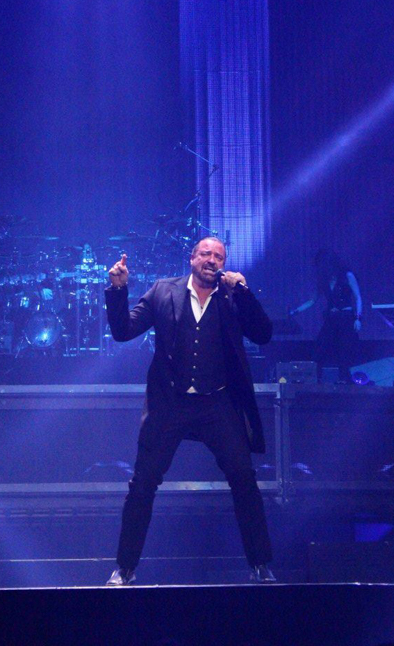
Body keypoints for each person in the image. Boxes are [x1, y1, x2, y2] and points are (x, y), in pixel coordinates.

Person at [104, 236, 275, 586]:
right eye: (206, 254)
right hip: (170, 403)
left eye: (219, 256)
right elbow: (123, 331)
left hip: (218, 403)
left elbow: (263, 334)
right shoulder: (163, 291)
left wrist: (243, 291)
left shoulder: (231, 297)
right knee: (143, 483)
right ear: (192, 258)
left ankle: (260, 565)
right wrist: (118, 290)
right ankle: (124, 568)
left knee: (244, 479)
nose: (212, 260)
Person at [314, 249, 362, 383]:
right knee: (320, 347)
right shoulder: (325, 280)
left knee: (344, 349)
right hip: (331, 318)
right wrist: (294, 312)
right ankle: (317, 379)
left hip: (346, 318)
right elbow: (312, 300)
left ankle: (344, 380)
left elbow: (358, 297)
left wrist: (358, 318)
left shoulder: (347, 276)